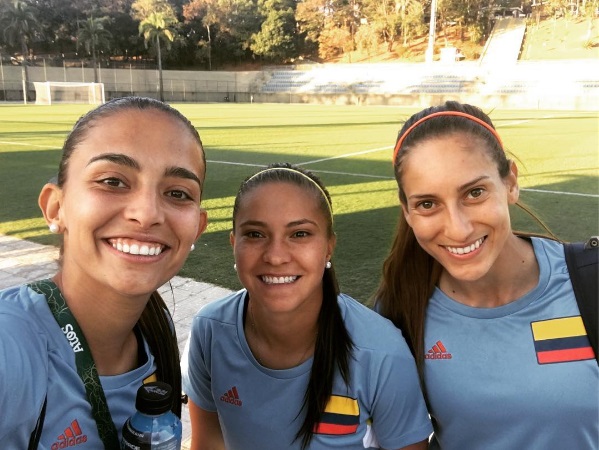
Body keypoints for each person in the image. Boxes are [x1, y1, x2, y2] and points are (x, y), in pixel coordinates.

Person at [373, 100, 599, 450]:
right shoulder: (398, 313)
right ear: (407, 211)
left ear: (510, 183)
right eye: (427, 204)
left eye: (474, 193)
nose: (459, 229)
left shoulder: (590, 282)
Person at [0, 96, 208, 448]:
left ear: (197, 228)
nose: (146, 213)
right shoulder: (10, 350)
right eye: (112, 181)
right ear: (56, 207)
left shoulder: (157, 331)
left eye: (177, 192)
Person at [182, 163, 432, 450]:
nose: (276, 256)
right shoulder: (210, 330)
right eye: (255, 234)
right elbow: (208, 443)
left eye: (299, 234)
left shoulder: (381, 352)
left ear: (329, 246)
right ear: (233, 243)